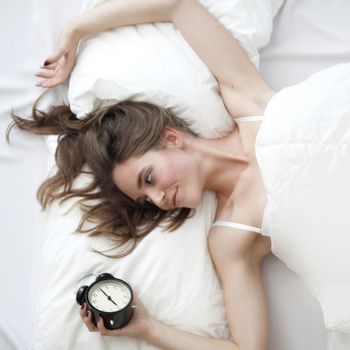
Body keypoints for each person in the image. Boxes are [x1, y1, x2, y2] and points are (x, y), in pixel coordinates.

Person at [7, 0, 274, 349]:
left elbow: (178, 6)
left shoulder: (249, 100)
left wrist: (75, 29)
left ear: (171, 139)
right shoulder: (230, 239)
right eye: (145, 199)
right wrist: (147, 328)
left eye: (148, 178)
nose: (158, 199)